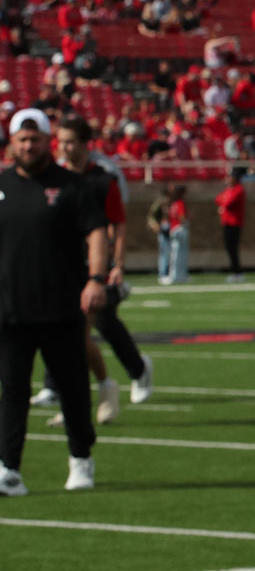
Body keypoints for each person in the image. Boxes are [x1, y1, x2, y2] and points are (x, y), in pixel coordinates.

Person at [0, 109, 108, 496]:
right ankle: (9, 468)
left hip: (61, 305)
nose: (29, 146)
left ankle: (81, 458)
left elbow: (97, 232)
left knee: (73, 387)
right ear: (12, 142)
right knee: (12, 391)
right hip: (10, 309)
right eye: (22, 139)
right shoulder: (1, 184)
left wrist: (96, 278)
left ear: (48, 141)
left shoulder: (71, 186)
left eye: (36, 139)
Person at [33, 118, 155, 426]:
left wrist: (117, 265)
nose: (64, 147)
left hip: (94, 268)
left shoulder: (103, 179)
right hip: (62, 265)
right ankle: (84, 390)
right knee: (68, 333)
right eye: (60, 141)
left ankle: (113, 382)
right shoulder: (51, 177)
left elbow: (118, 224)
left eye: (70, 141)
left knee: (87, 329)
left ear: (86, 143)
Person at [215, 171, 247, 281]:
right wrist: (223, 199)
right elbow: (218, 198)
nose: (228, 179)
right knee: (229, 248)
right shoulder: (230, 189)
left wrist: (223, 199)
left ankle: (237, 271)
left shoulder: (238, 189)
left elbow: (227, 202)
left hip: (234, 223)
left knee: (233, 248)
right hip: (226, 222)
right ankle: (235, 271)